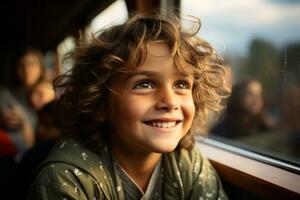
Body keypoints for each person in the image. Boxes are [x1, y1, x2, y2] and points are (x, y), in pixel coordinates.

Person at [28, 13, 231, 200]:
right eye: (144, 84)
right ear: (100, 104)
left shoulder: (188, 164)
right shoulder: (67, 179)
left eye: (181, 84)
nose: (170, 101)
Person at [0, 48, 45, 160]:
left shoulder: (49, 93)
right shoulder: (5, 94)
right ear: (16, 69)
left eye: (31, 64)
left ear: (41, 68)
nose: (26, 69)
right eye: (21, 65)